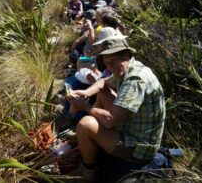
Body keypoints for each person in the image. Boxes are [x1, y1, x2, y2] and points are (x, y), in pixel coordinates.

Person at [67, 37, 166, 182]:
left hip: (139, 147)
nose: (111, 67)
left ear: (126, 55)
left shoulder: (135, 80)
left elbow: (110, 120)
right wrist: (86, 93)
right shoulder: (131, 67)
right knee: (103, 92)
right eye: (107, 64)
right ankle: (92, 136)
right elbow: (104, 82)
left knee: (86, 123)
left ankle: (88, 171)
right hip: (132, 127)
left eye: (112, 62)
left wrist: (86, 106)